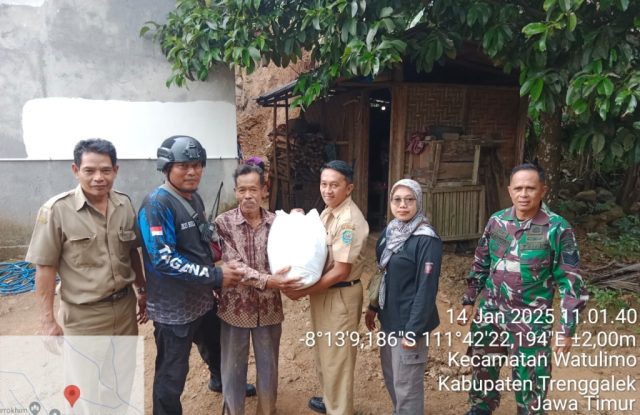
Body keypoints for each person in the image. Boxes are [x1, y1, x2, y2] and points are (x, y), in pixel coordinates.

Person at [458, 163, 588, 415]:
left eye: (531, 188)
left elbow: (571, 282)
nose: (524, 194)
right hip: (490, 314)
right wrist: (469, 300)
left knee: (531, 380)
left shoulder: (557, 228)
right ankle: (480, 408)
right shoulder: (497, 222)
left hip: (531, 320)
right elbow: (481, 262)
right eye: (518, 188)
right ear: (510, 190)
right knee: (482, 369)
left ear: (543, 190)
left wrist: (567, 329)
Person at [138, 135, 247, 415]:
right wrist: (216, 276)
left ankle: (219, 380)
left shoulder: (194, 197)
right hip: (173, 309)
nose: (192, 172)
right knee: (172, 373)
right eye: (184, 166)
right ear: (166, 167)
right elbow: (164, 259)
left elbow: (199, 243)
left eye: (197, 165)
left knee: (215, 346)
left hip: (201, 297)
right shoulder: (156, 205)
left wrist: (219, 263)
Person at [26, 138, 147, 336]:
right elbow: (46, 267)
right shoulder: (56, 211)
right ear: (76, 170)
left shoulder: (124, 204)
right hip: (83, 318)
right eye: (89, 171)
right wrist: (47, 321)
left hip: (125, 310)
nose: (99, 178)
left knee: (125, 358)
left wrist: (141, 289)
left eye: (106, 170)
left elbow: (131, 251)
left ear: (115, 170)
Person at [215, 163, 301, 415]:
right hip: (234, 308)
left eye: (253, 189)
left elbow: (292, 256)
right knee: (232, 368)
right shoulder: (223, 223)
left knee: (268, 366)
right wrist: (268, 281)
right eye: (242, 190)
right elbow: (234, 266)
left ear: (264, 190)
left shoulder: (278, 223)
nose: (247, 196)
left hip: (269, 307)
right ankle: (233, 411)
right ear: (235, 191)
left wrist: (297, 221)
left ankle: (267, 410)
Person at [284, 160, 370, 415]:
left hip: (340, 295)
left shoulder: (348, 221)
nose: (327, 190)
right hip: (325, 292)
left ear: (349, 188)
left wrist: (303, 291)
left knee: (338, 358)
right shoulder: (328, 211)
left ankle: (340, 410)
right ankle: (331, 399)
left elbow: (341, 270)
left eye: (334, 185)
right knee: (325, 351)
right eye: (324, 184)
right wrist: (300, 220)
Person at [365, 179, 442, 415]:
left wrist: (413, 330)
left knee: (407, 386)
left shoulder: (426, 239)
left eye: (410, 200)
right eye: (397, 200)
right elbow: (383, 273)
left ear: (419, 202)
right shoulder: (390, 232)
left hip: (409, 323)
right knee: (392, 377)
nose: (403, 205)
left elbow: (426, 289)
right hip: (389, 318)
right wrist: (373, 306)